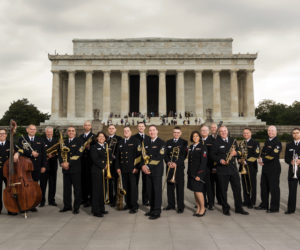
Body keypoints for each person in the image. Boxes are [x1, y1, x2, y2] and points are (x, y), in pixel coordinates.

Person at [211, 125, 249, 216]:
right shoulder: (216, 142)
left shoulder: (233, 140)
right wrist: (220, 160)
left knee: (237, 189)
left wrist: (236, 153)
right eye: (221, 131)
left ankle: (239, 208)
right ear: (219, 133)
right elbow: (212, 155)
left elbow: (240, 151)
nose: (223, 132)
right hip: (222, 169)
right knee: (223, 190)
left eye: (225, 131)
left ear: (227, 131)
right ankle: (225, 208)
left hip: (233, 169)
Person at [15, 124, 47, 212]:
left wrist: (44, 166)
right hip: (25, 167)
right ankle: (24, 204)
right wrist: (30, 153)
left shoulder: (40, 140)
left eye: (34, 129)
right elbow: (20, 150)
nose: (33, 131)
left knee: (34, 186)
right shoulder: (22, 139)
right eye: (31, 129)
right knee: (24, 186)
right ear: (27, 130)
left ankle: (32, 204)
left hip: (36, 167)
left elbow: (44, 154)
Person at [256, 125, 282, 213]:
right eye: (269, 130)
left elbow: (273, 155)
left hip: (273, 168)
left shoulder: (277, 142)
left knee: (273, 188)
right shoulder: (267, 141)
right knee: (264, 186)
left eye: (272, 130)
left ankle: (274, 208)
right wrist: (260, 159)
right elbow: (263, 152)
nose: (270, 132)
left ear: (276, 132)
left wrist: (263, 159)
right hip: (265, 167)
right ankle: (264, 204)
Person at [141, 125, 165, 220]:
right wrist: (143, 165)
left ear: (157, 131)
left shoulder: (161, 142)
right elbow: (143, 155)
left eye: (153, 130)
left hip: (156, 171)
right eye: (150, 130)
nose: (151, 132)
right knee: (149, 191)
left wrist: (147, 166)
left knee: (156, 191)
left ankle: (157, 211)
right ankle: (151, 209)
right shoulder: (145, 142)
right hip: (147, 171)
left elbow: (159, 157)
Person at [115, 126, 141, 213]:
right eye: (125, 131)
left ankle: (134, 206)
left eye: (127, 131)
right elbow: (117, 157)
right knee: (125, 187)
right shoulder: (120, 142)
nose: (126, 132)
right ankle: (128, 204)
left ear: (131, 132)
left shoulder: (136, 141)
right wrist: (117, 167)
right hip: (123, 169)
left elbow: (139, 156)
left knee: (133, 188)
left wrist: (136, 168)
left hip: (132, 169)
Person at [58, 126, 83, 214]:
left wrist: (68, 163)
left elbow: (78, 154)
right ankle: (67, 206)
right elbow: (59, 153)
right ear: (67, 132)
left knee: (77, 189)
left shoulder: (79, 141)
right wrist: (62, 163)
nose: (71, 132)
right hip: (65, 169)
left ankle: (76, 208)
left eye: (72, 131)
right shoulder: (63, 142)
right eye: (69, 131)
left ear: (75, 132)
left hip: (75, 169)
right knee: (66, 189)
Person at [164, 126, 188, 213]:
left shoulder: (184, 142)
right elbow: (165, 155)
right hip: (169, 167)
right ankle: (171, 205)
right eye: (175, 132)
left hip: (179, 168)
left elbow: (184, 155)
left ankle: (180, 206)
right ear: (172, 133)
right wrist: (168, 162)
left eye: (178, 132)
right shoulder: (168, 142)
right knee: (170, 187)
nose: (176, 134)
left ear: (180, 133)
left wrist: (176, 163)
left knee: (180, 188)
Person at [90, 132, 110, 217]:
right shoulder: (94, 147)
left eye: (103, 136)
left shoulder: (106, 146)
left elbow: (110, 157)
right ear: (97, 138)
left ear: (105, 138)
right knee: (96, 191)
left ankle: (102, 208)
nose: (101, 138)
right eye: (100, 136)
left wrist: (110, 161)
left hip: (105, 172)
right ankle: (96, 210)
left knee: (103, 190)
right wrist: (103, 165)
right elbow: (95, 158)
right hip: (97, 171)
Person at [238, 128, 260, 209]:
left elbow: (256, 155)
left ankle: (252, 201)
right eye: (244, 133)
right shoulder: (241, 143)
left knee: (252, 185)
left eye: (247, 133)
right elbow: (239, 154)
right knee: (244, 184)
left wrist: (246, 161)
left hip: (251, 167)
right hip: (243, 167)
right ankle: (246, 200)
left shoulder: (255, 143)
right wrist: (239, 160)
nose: (245, 134)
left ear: (250, 134)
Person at [187, 131, 207, 217]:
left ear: (199, 137)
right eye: (193, 136)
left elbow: (203, 162)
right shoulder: (191, 147)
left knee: (198, 191)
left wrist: (200, 174)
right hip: (191, 172)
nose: (195, 137)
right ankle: (198, 207)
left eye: (197, 136)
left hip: (198, 173)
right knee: (195, 191)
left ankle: (203, 208)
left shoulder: (203, 147)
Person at [40, 126, 58, 207]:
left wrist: (53, 155)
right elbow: (40, 152)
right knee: (43, 184)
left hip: (53, 165)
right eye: (48, 132)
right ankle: (42, 201)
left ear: (53, 133)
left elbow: (59, 152)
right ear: (45, 132)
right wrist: (46, 155)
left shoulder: (56, 140)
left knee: (53, 184)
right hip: (45, 165)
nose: (50, 133)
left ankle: (51, 200)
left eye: (51, 132)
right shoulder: (41, 140)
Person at [133, 122, 150, 206]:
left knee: (146, 182)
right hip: (136, 163)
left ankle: (145, 200)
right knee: (135, 182)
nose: (141, 127)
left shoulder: (148, 138)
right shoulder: (133, 137)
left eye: (142, 126)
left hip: (145, 163)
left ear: (145, 127)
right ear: (137, 127)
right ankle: (134, 200)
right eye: (139, 126)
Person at [79, 121, 95, 207]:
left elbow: (96, 148)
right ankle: (83, 198)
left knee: (90, 181)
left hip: (90, 162)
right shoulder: (80, 137)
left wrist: (90, 148)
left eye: (88, 125)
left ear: (91, 126)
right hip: (82, 162)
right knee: (83, 180)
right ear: (83, 126)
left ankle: (90, 199)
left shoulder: (94, 136)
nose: (87, 126)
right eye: (85, 125)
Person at [284, 128, 300, 214]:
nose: (295, 134)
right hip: (292, 171)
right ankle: (290, 209)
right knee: (292, 191)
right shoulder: (289, 145)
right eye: (294, 133)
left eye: (297, 133)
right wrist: (290, 161)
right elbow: (286, 158)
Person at [106, 124, 122, 207]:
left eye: (113, 128)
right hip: (107, 164)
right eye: (110, 128)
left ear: (115, 130)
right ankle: (110, 199)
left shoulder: (119, 139)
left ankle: (116, 199)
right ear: (108, 130)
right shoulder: (105, 139)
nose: (111, 130)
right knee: (108, 183)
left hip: (115, 164)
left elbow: (120, 151)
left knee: (115, 183)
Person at [200, 125, 215, 210]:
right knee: (201, 186)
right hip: (200, 168)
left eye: (205, 130)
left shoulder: (212, 141)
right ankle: (203, 202)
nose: (204, 132)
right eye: (202, 130)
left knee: (209, 186)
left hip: (209, 167)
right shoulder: (198, 140)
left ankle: (211, 203)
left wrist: (214, 167)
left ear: (208, 132)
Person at [0, 129, 11, 214]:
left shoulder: (10, 144)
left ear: (6, 135)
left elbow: (18, 152)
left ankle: (10, 208)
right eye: (0, 134)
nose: (2, 135)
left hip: (8, 171)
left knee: (9, 190)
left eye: (3, 134)